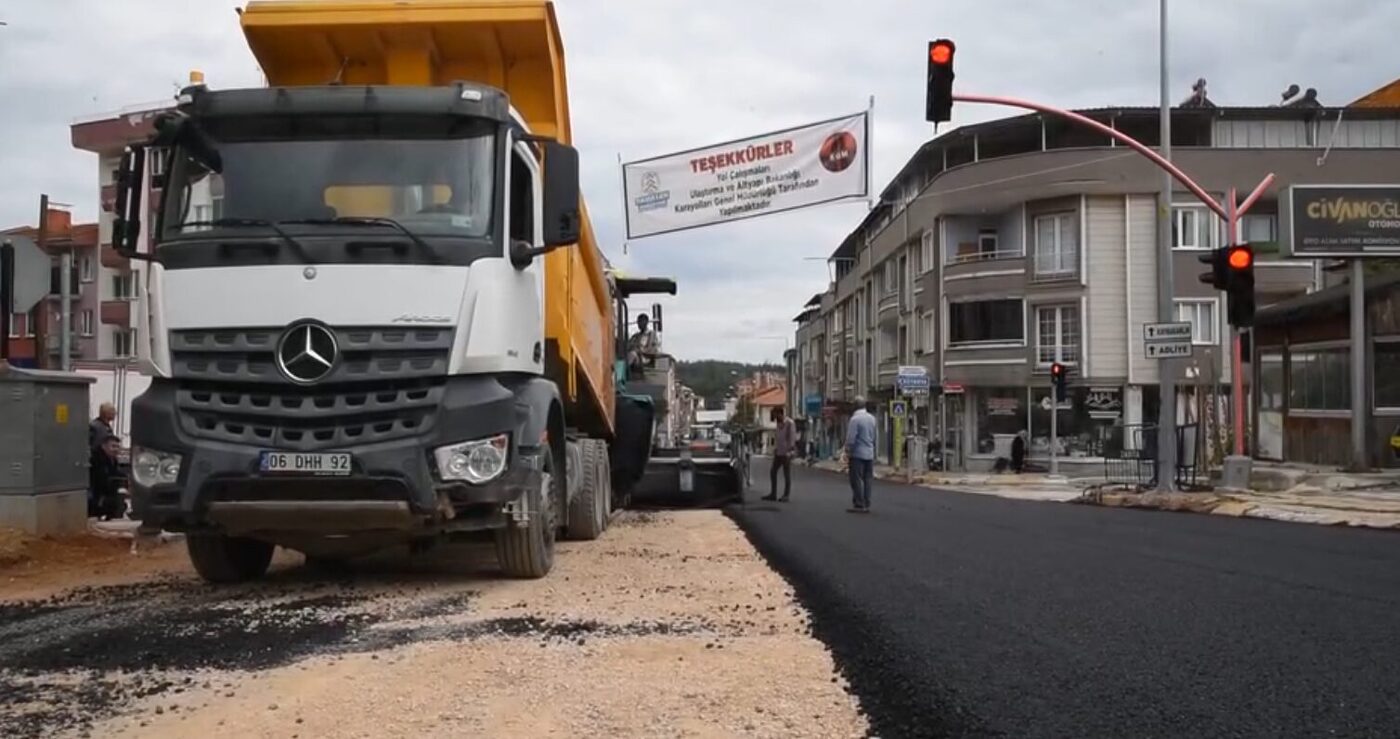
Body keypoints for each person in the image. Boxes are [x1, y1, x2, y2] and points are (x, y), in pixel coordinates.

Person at [845, 397, 877, 513]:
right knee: (868, 478)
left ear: (855, 406)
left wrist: (848, 451)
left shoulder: (855, 419)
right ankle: (867, 501)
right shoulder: (872, 418)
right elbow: (874, 436)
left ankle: (859, 503)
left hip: (857, 454)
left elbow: (851, 438)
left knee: (856, 479)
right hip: (869, 453)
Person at [89, 433, 125, 521]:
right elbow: (101, 480)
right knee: (116, 504)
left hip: (105, 493)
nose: (116, 449)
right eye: (113, 446)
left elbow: (116, 474)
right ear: (103, 446)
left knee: (121, 503)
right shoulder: (96, 460)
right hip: (95, 495)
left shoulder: (113, 460)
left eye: (117, 447)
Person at [763, 407, 797, 502]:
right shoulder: (778, 423)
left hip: (786, 453)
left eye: (776, 415)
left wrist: (790, 451)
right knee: (773, 472)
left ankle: (786, 495)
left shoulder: (790, 423)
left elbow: (792, 438)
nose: (775, 418)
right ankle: (773, 494)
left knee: (786, 474)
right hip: (779, 452)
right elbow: (778, 437)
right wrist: (776, 448)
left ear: (780, 413)